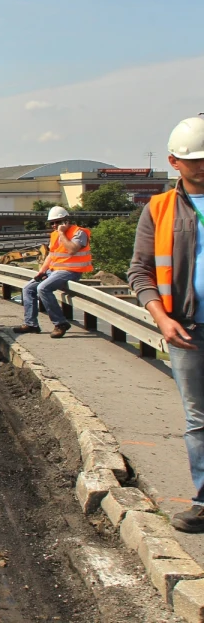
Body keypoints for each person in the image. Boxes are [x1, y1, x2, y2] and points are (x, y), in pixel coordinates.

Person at [130, 115, 204, 532]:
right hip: (187, 328)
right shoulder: (158, 210)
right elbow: (140, 271)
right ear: (175, 162)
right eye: (196, 160)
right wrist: (160, 317)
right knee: (199, 420)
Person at [12, 205, 92, 338]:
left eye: (58, 222)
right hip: (54, 271)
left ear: (66, 221)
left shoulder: (79, 233)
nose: (55, 225)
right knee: (28, 288)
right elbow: (51, 255)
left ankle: (60, 323)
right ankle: (31, 324)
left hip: (71, 271)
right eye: (52, 223)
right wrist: (42, 271)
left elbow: (72, 249)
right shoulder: (54, 235)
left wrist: (62, 233)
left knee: (43, 288)